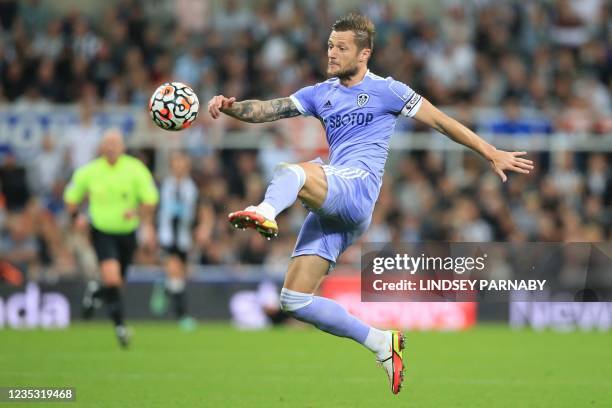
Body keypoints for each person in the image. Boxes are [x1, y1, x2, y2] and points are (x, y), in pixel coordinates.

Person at [207, 13, 534, 394]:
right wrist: (231, 107)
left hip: (358, 187)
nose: (332, 53)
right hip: (337, 205)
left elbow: (442, 122)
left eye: (341, 47)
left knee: (292, 172)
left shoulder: (388, 90)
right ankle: (381, 342)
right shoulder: (320, 93)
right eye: (330, 45)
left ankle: (264, 211)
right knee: (294, 300)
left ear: (364, 53)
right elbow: (268, 109)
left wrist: (490, 151)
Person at [64, 129, 159, 348]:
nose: (111, 147)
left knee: (117, 284)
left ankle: (95, 293)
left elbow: (150, 200)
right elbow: (71, 198)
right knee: (113, 279)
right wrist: (76, 216)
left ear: (123, 146)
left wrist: (137, 213)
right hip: (102, 231)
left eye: (115, 143)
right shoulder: (89, 171)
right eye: (107, 143)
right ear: (101, 147)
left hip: (128, 232)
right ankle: (120, 328)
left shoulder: (135, 169)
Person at [157, 151, 202, 330]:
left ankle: (165, 287)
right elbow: (153, 208)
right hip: (166, 235)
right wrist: (149, 229)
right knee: (175, 272)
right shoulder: (163, 185)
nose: (179, 166)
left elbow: (201, 210)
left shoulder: (192, 188)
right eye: (176, 163)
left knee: (180, 278)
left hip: (184, 237)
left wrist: (202, 228)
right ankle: (182, 316)